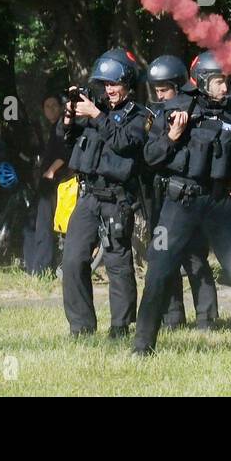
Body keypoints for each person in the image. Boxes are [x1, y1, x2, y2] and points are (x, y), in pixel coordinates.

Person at [133, 52, 231, 354]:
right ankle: (142, 347)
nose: (225, 88)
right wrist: (172, 135)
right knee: (158, 270)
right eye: (221, 81)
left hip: (220, 202)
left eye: (228, 81)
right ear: (204, 81)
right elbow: (150, 157)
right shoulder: (175, 107)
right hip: (179, 202)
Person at [59, 51, 149, 337]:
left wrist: (96, 116)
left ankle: (121, 327)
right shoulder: (97, 110)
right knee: (73, 259)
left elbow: (123, 142)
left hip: (116, 198)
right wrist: (71, 115)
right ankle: (81, 326)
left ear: (128, 84)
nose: (109, 90)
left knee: (117, 261)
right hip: (88, 195)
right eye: (105, 84)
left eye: (115, 84)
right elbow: (67, 138)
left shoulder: (140, 116)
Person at [142, 54, 219, 330]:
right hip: (164, 197)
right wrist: (171, 136)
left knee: (195, 257)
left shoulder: (198, 112)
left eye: (165, 90)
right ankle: (172, 317)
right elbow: (150, 156)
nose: (161, 96)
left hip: (189, 197)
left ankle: (207, 319)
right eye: (157, 90)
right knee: (162, 255)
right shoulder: (160, 117)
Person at [24, 96, 67, 276]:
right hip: (45, 182)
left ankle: (42, 268)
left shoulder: (61, 127)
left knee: (44, 225)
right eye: (46, 106)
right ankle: (33, 266)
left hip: (54, 183)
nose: (50, 109)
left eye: (54, 106)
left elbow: (65, 153)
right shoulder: (52, 128)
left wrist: (51, 171)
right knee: (33, 223)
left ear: (60, 107)